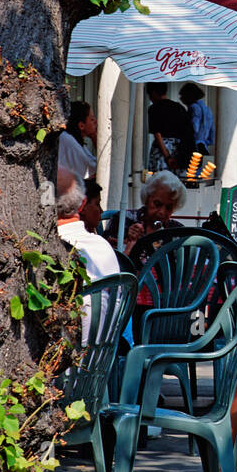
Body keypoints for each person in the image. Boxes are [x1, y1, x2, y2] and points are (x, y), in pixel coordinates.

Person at [56, 170, 120, 343]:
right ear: (82, 204)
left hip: (61, 365)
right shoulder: (103, 247)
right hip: (101, 360)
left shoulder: (49, 248)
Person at [102, 169, 186, 260]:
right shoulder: (123, 220)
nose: (162, 212)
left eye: (168, 208)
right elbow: (106, 257)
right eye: (157, 204)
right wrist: (126, 241)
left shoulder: (177, 231)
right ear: (146, 198)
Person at [146, 83, 192, 173]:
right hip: (178, 150)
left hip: (162, 150)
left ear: (154, 93)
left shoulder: (153, 108)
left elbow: (157, 134)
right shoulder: (180, 108)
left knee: (160, 181)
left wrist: (167, 156)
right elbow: (187, 133)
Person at [58, 100, 97, 183]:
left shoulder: (77, 141)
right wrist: (95, 137)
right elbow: (96, 170)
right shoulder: (68, 140)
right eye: (92, 119)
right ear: (81, 125)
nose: (95, 122)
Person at [180, 82, 215, 155]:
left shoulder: (193, 107)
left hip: (193, 145)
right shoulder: (208, 109)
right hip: (203, 145)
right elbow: (212, 132)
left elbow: (194, 127)